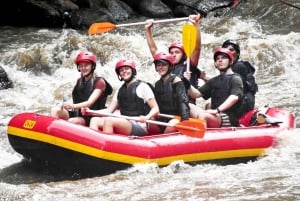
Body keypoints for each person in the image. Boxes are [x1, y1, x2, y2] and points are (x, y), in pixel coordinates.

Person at [145, 14, 208, 103]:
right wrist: (148, 30)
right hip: (170, 103)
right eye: (171, 52)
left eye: (177, 52)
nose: (173, 55)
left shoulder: (190, 65)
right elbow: (153, 50)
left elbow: (197, 47)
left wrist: (195, 25)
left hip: (187, 103)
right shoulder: (166, 67)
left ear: (183, 55)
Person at [87, 59, 159, 136]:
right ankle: (94, 145)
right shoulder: (120, 90)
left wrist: (147, 117)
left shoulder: (143, 86)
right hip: (124, 122)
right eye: (121, 70)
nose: (124, 71)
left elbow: (156, 109)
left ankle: (108, 145)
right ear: (119, 74)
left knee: (109, 120)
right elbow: (109, 110)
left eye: (127, 69)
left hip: (139, 125)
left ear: (133, 71)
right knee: (94, 120)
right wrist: (91, 112)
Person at [51, 51, 112, 126]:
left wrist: (72, 106)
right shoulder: (79, 81)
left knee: (71, 121)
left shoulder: (100, 82)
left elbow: (89, 103)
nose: (83, 68)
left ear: (92, 66)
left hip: (92, 117)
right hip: (79, 114)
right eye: (81, 66)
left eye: (86, 65)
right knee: (55, 110)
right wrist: (66, 105)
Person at [187, 47, 244, 128]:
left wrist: (217, 110)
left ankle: (203, 137)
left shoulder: (236, 79)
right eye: (217, 59)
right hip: (215, 115)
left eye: (223, 58)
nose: (220, 60)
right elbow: (195, 94)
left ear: (231, 62)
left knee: (204, 116)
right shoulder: (214, 80)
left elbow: (234, 97)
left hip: (229, 118)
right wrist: (186, 82)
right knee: (188, 105)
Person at [148, 52, 190, 134]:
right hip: (163, 117)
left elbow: (183, 101)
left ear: (170, 66)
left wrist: (185, 120)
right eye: (158, 65)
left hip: (176, 118)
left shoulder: (176, 80)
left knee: (172, 124)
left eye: (163, 65)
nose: (160, 67)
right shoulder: (158, 84)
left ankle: (163, 143)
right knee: (150, 121)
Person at [222, 40, 258, 113]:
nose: (228, 52)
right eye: (225, 50)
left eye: (231, 50)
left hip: (244, 104)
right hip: (247, 101)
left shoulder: (238, 67)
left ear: (237, 53)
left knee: (210, 105)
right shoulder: (231, 68)